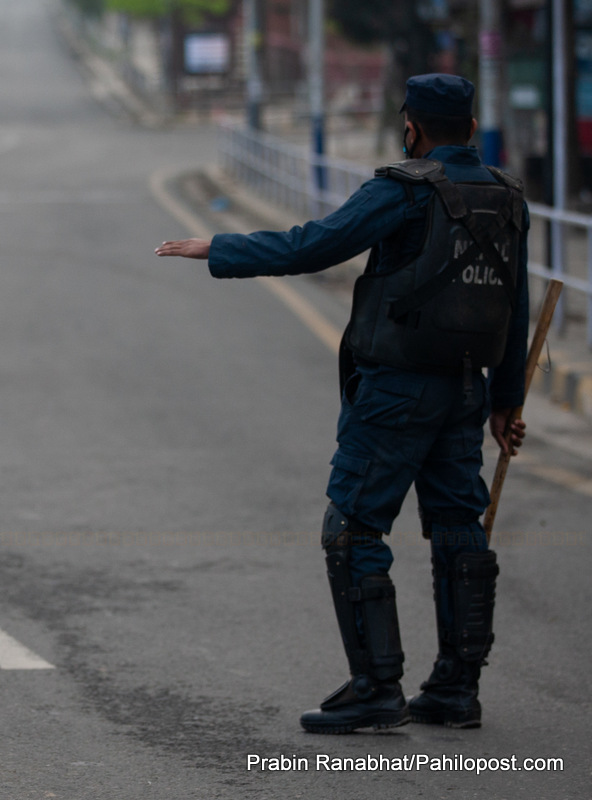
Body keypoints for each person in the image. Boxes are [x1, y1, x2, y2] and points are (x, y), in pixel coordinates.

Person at [156, 74, 529, 734]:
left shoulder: (404, 191)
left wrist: (217, 246)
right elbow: (514, 306)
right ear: (471, 129)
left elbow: (313, 245)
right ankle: (455, 690)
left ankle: (376, 687)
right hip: (467, 388)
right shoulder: (506, 197)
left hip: (396, 390)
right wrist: (505, 402)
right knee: (459, 527)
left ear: (410, 126)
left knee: (352, 527)